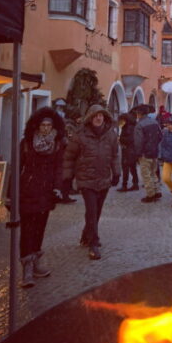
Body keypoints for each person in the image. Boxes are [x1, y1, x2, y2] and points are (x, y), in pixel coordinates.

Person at [63, 104, 120, 259]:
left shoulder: (111, 134)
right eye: (95, 116)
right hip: (86, 179)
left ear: (105, 117)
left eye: (101, 115)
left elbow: (115, 155)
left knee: (97, 210)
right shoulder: (80, 135)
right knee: (92, 210)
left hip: (103, 178)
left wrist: (116, 173)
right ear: (90, 118)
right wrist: (67, 178)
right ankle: (94, 243)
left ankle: (86, 234)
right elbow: (69, 156)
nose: (98, 118)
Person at [18, 106, 66, 287]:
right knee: (26, 229)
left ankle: (36, 261)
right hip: (27, 191)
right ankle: (27, 268)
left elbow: (58, 168)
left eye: (48, 125)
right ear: (36, 126)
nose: (45, 128)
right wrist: (10, 194)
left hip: (45, 193)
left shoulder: (57, 145)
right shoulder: (26, 143)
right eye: (43, 125)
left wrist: (57, 188)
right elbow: (17, 167)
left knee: (40, 228)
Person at [134, 105, 163, 202]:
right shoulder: (155, 122)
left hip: (145, 153)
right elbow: (160, 136)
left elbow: (138, 141)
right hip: (154, 151)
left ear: (139, 114)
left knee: (146, 174)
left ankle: (150, 194)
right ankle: (157, 190)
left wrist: (138, 154)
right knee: (153, 172)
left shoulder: (139, 125)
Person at [117, 112, 139, 192]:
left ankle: (124, 185)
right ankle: (135, 184)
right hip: (131, 150)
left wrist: (120, 139)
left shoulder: (128, 127)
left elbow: (130, 139)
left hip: (128, 149)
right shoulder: (130, 126)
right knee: (132, 167)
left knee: (126, 167)